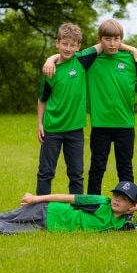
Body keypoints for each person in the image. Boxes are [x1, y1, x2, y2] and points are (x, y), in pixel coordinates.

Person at [43, 19, 137, 197]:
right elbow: (67, 58)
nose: (112, 44)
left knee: (125, 168)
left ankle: (127, 206)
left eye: (116, 39)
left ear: (121, 39)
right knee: (96, 169)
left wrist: (133, 49)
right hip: (100, 125)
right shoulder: (89, 61)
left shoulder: (130, 59)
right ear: (100, 39)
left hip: (125, 125)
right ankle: (92, 206)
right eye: (107, 39)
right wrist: (50, 59)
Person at [37, 23, 102, 195]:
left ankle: (77, 208)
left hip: (75, 130)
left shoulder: (81, 60)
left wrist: (134, 51)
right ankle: (39, 208)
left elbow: (105, 43)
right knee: (45, 172)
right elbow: (42, 98)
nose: (68, 48)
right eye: (65, 44)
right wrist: (40, 124)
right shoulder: (49, 70)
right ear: (57, 43)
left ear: (78, 46)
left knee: (76, 174)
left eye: (72, 45)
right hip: (52, 128)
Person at [0, 181, 137, 234]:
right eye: (116, 195)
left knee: (4, 228)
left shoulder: (122, 226)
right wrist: (35, 198)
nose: (116, 199)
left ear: (130, 207)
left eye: (123, 199)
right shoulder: (101, 201)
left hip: (47, 226)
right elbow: (68, 197)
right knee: (4, 217)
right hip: (47, 210)